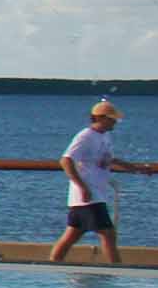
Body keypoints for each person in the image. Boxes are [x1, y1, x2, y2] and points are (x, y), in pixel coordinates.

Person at [51, 101, 131, 264]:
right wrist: (83, 187)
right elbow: (65, 161)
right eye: (112, 119)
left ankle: (53, 263)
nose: (115, 122)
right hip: (88, 196)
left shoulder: (106, 136)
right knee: (108, 234)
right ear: (100, 118)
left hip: (96, 194)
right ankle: (116, 270)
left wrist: (136, 168)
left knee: (72, 234)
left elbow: (108, 159)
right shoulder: (85, 136)